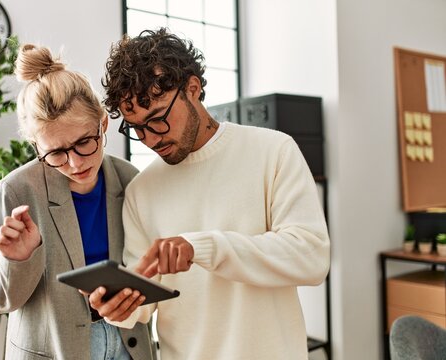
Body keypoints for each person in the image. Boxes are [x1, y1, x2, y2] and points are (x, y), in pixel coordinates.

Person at [89, 28, 331, 360]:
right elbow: (144, 300)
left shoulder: (273, 150)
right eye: (138, 128)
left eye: (157, 119)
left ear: (193, 89)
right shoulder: (142, 190)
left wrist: (204, 247)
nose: (151, 139)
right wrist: (121, 308)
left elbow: (311, 258)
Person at [0, 44, 156, 360]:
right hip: (52, 351)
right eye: (56, 153)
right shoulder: (17, 190)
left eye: (84, 143)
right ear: (37, 147)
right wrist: (20, 260)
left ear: (102, 124)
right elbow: (1, 300)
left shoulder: (130, 179)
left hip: (128, 344)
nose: (75, 163)